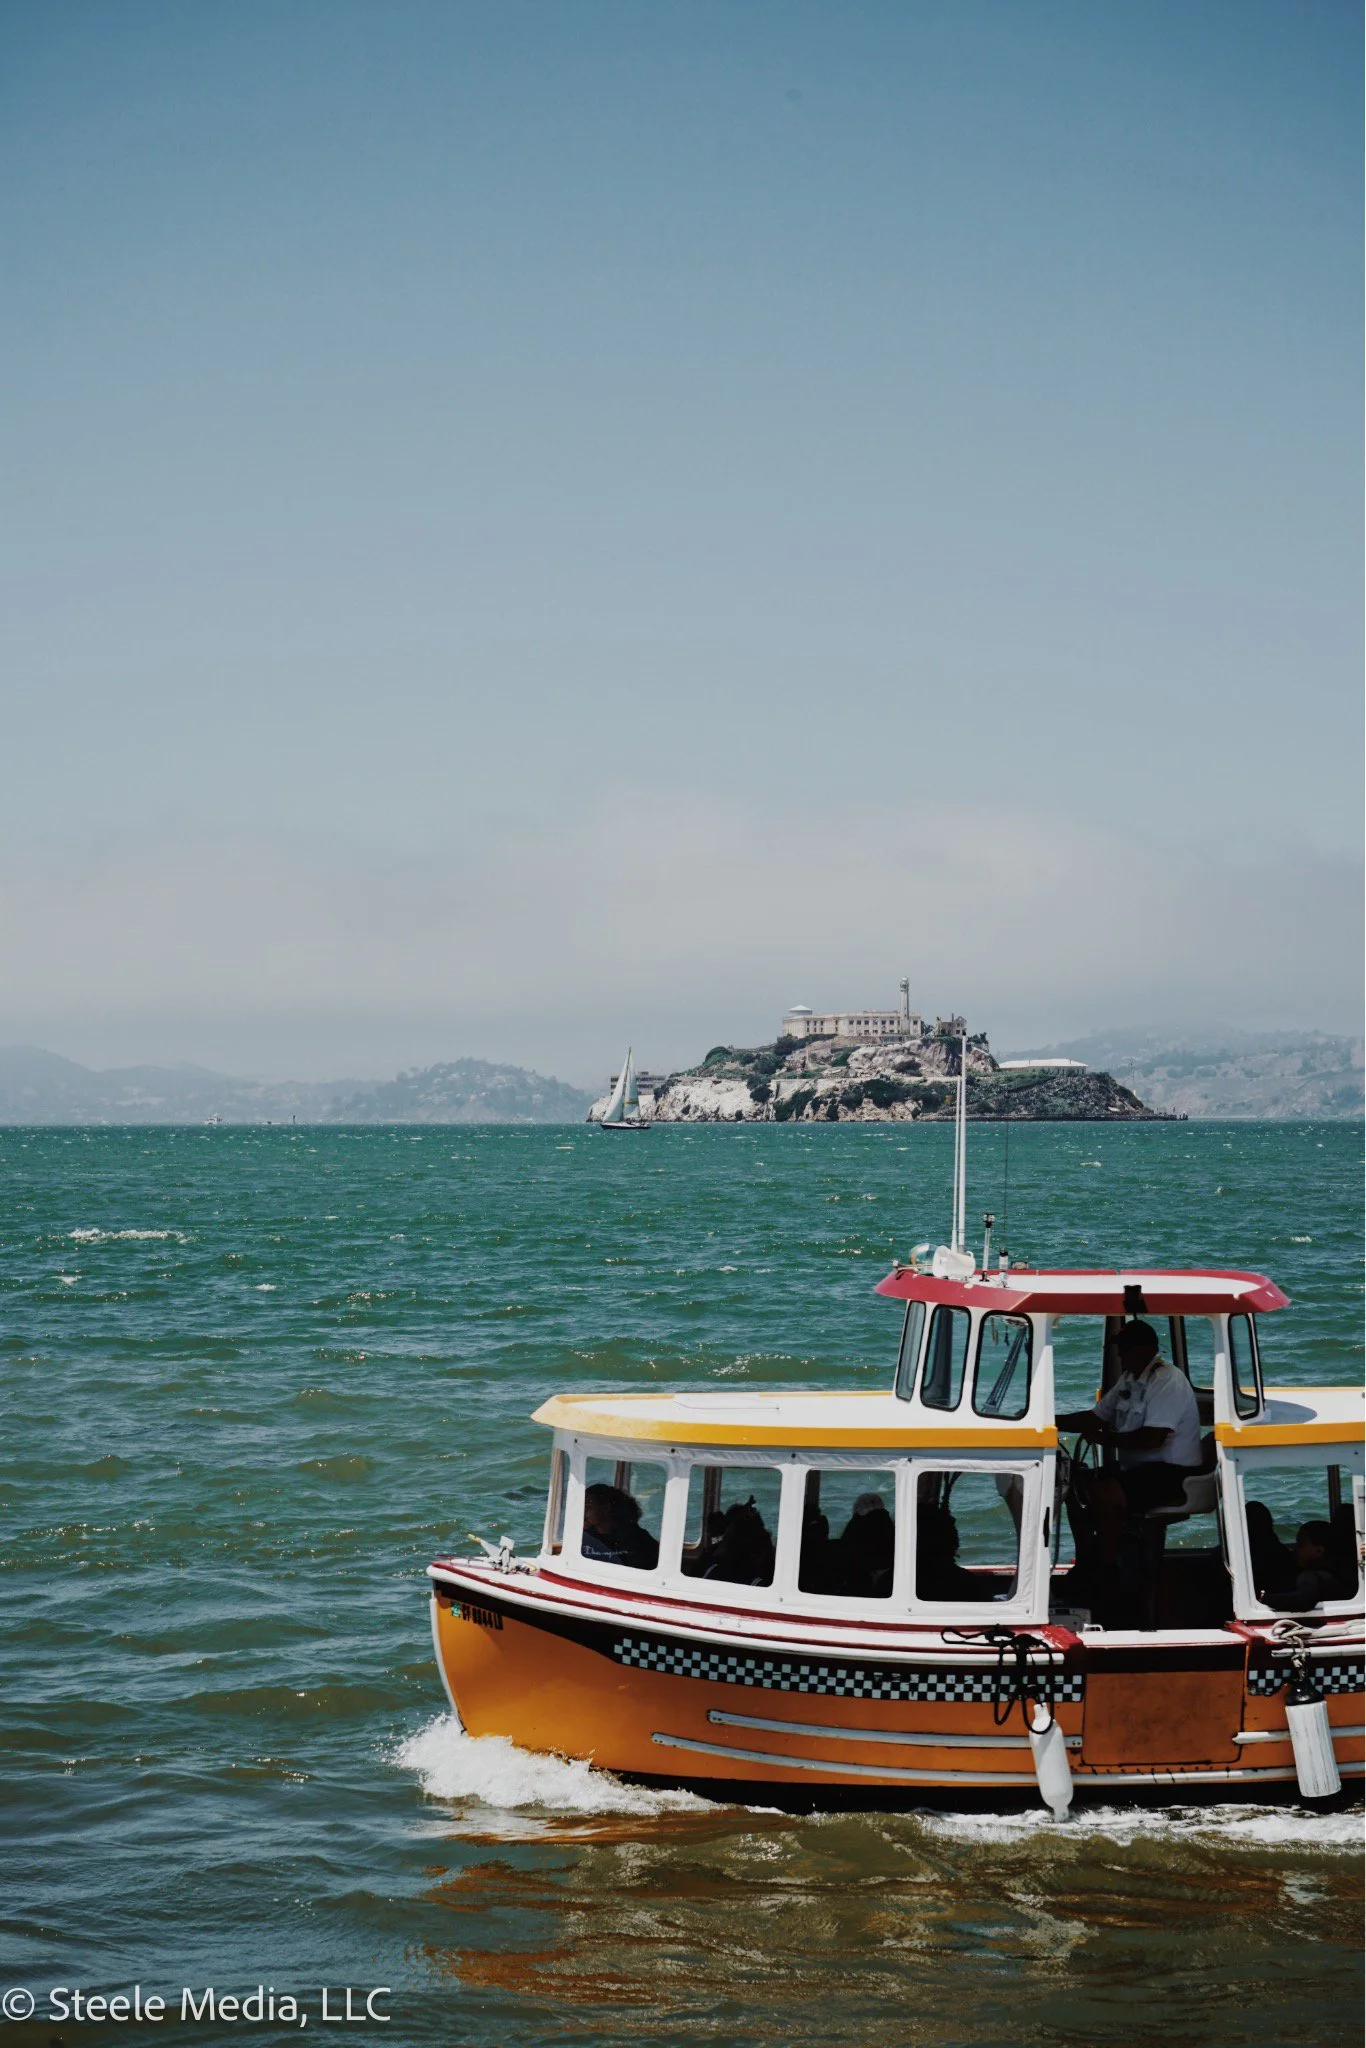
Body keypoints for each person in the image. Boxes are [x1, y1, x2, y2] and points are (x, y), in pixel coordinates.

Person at [1058, 1319, 1202, 1571]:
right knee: (1074, 1483)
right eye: (1120, 1348)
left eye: (1126, 1348)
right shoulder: (1129, 1379)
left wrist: (1105, 1438)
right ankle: (1086, 1560)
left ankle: (1108, 1570)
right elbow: (1095, 1417)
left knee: (1105, 1492)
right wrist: (1048, 1421)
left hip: (1172, 1473)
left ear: (1145, 1349)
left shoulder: (1167, 1379)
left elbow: (1152, 1438)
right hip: (1138, 1471)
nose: (1120, 1354)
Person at [580, 1482, 659, 1569]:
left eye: (587, 1508)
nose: (582, 1512)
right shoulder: (585, 1536)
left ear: (606, 1508)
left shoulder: (637, 1540)